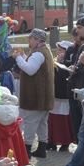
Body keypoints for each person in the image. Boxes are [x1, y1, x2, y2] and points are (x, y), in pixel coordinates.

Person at [14, 28, 55, 158]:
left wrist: (18, 58)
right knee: (42, 124)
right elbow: (33, 65)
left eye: (30, 38)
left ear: (37, 40)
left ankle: (26, 150)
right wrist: (23, 57)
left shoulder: (38, 54)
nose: (29, 40)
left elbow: (30, 69)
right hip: (44, 97)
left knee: (30, 123)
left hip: (35, 97)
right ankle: (42, 149)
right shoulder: (44, 51)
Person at [48, 40, 75, 152]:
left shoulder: (69, 63)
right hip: (54, 95)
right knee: (52, 119)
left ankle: (65, 142)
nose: (58, 52)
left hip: (63, 96)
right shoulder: (55, 61)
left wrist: (61, 64)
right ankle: (52, 141)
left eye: (61, 50)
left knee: (63, 120)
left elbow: (64, 78)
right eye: (58, 50)